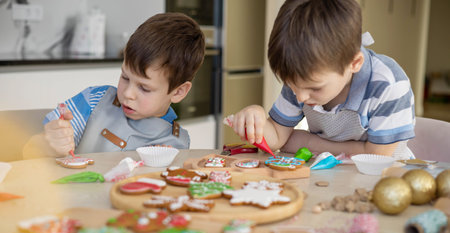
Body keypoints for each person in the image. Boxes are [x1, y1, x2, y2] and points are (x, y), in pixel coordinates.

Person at [231, 0, 415, 159]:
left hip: (383, 175)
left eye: (315, 89)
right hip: (332, 172)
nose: (301, 97)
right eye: (293, 87)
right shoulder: (301, 78)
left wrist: (310, 142)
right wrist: (257, 120)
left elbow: (376, 156)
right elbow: (278, 138)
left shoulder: (388, 85)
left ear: (354, 63)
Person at [24, 12, 205, 158]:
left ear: (178, 91)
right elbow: (29, 151)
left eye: (144, 88)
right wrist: (48, 145)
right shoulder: (94, 100)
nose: (128, 94)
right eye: (125, 77)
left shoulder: (176, 143)